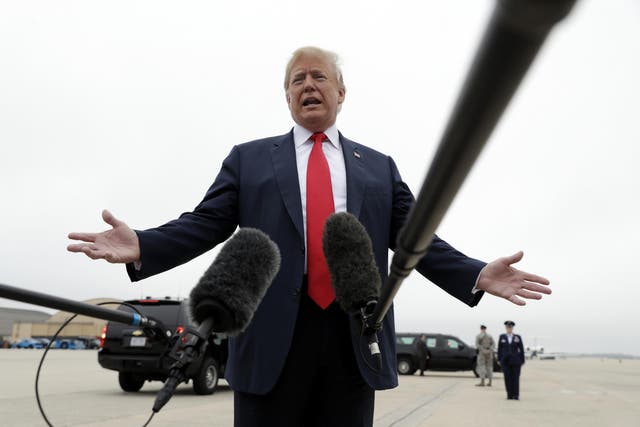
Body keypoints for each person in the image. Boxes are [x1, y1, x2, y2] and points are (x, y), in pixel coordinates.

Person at [67, 46, 551, 427]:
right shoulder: (249, 159)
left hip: (352, 336)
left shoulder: (378, 167)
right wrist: (145, 244)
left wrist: (474, 273)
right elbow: (205, 222)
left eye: (319, 76)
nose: (309, 84)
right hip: (270, 337)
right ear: (287, 97)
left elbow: (414, 238)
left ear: (342, 92)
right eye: (298, 79)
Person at [497, 320, 525, 400]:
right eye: (507, 327)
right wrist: (499, 359)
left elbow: (521, 349)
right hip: (505, 361)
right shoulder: (502, 337)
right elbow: (499, 349)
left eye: (510, 327)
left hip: (516, 361)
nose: (509, 329)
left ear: (512, 328)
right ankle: (509, 394)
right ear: (506, 328)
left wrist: (522, 360)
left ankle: (516, 395)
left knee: (515, 378)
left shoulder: (517, 337)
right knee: (507, 378)